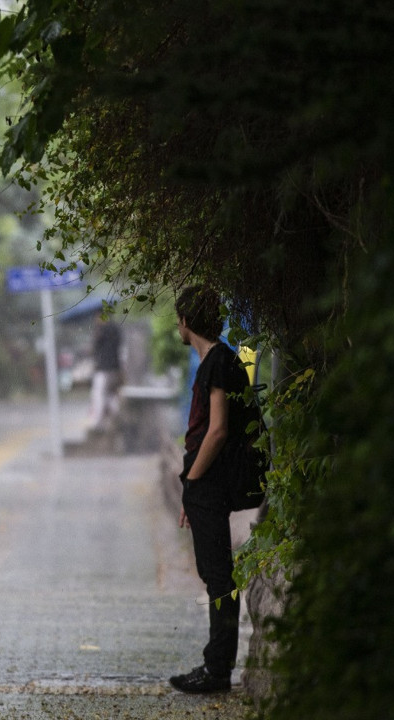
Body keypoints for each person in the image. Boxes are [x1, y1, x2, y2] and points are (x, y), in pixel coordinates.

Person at [169, 285, 256, 694]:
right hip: (204, 484)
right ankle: (216, 664)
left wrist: (192, 480)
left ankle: (217, 669)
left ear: (187, 321)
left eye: (179, 319)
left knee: (219, 576)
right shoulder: (215, 361)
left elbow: (218, 430)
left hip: (210, 481)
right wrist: (191, 490)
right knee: (214, 573)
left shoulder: (218, 361)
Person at [87, 315, 123, 431]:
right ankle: (118, 416)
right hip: (115, 367)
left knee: (99, 393)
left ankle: (98, 422)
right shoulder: (116, 328)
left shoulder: (101, 330)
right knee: (111, 394)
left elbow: (95, 347)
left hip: (103, 368)